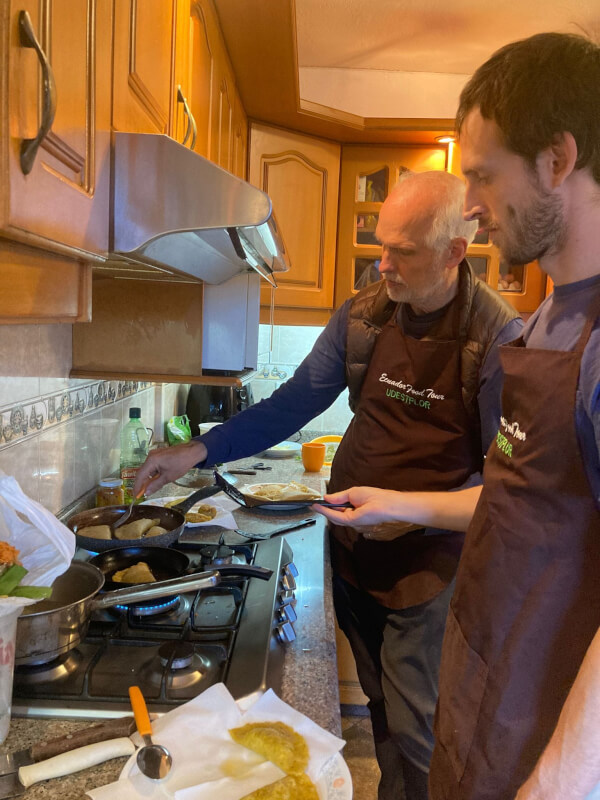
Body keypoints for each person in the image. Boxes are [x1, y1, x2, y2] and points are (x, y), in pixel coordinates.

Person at [134, 170, 522, 799]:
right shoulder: (364, 315)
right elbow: (291, 406)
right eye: (380, 245)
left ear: (455, 252)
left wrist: (397, 506)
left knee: (420, 728)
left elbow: (506, 493)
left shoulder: (496, 338)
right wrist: (199, 451)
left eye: (404, 252)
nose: (383, 266)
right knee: (378, 706)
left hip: (427, 569)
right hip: (352, 548)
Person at [318, 32, 600, 800]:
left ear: (557, 159)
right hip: (485, 679)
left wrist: (563, 778)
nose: (469, 206)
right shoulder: (545, 328)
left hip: (543, 742)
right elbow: (516, 502)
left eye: (482, 175)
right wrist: (400, 503)